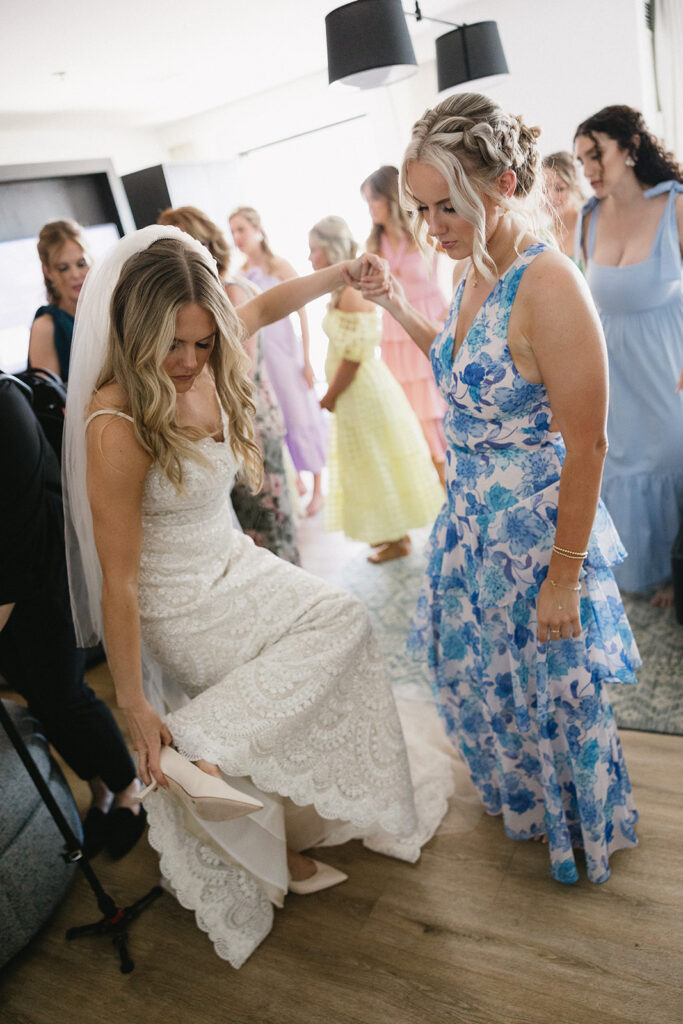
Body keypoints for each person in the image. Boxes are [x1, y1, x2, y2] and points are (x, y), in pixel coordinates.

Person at [62, 225, 458, 967]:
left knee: (344, 616)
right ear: (135, 330)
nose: (187, 360)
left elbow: (269, 304)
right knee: (309, 643)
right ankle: (190, 751)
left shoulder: (210, 341)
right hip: (180, 602)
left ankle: (212, 760)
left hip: (236, 562)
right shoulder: (117, 419)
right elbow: (116, 577)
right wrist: (133, 702)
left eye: (202, 343)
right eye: (172, 345)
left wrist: (345, 269)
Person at [360, 92, 641, 885]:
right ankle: (528, 805)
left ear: (505, 183)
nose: (432, 227)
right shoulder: (473, 268)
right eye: (421, 209)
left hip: (534, 534)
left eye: (446, 206)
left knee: (555, 698)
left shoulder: (547, 285)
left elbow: (586, 444)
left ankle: (579, 832)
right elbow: (461, 369)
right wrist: (394, 304)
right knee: (492, 683)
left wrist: (561, 577)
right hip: (473, 526)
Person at [0, 374, 144, 860]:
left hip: (42, 572)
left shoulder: (4, 403)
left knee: (65, 693)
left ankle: (128, 788)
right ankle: (98, 787)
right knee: (34, 694)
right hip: (5, 586)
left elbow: (19, 538)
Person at [574, 105, 683, 606]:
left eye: (598, 154)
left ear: (632, 148)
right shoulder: (587, 218)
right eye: (582, 160)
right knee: (617, 466)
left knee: (666, 461)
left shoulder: (675, 206)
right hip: (610, 374)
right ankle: (632, 571)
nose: (590, 169)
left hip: (666, 367)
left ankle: (672, 573)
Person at [157, 205, 299, 564]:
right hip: (231, 426)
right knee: (252, 530)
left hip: (247, 424)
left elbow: (238, 372)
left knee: (269, 527)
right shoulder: (210, 296)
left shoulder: (231, 292)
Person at [308, 215, 444, 563]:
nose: (310, 258)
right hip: (357, 393)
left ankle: (398, 539)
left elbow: (355, 355)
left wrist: (330, 396)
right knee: (370, 464)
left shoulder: (353, 293)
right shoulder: (343, 290)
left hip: (361, 390)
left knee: (378, 464)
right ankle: (389, 533)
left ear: (330, 249)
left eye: (313, 250)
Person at [229, 206, 327, 515]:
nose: (236, 237)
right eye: (232, 232)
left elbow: (303, 308)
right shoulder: (241, 275)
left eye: (241, 229)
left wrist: (307, 358)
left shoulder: (278, 265)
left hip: (287, 353)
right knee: (280, 416)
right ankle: (295, 482)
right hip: (262, 360)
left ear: (257, 229)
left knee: (301, 414)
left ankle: (318, 488)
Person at [361, 165, 449, 484]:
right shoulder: (374, 244)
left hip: (429, 320)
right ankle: (438, 489)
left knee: (439, 409)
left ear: (391, 199)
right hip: (395, 336)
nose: (370, 208)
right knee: (413, 416)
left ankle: (452, 479)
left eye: (374, 200)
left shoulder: (426, 232)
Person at [28, 220, 90, 382]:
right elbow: (50, 400)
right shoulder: (46, 327)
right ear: (48, 272)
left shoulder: (108, 311)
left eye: (81, 264)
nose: (76, 275)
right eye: (63, 268)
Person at [542, 151, 585, 264]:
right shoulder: (541, 237)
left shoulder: (590, 231)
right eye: (544, 190)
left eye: (560, 188)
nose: (550, 197)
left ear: (575, 189)